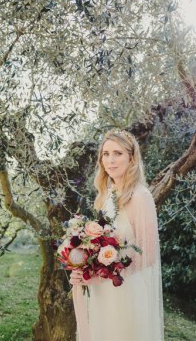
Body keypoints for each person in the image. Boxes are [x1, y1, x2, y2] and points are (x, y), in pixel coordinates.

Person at [70, 129, 164, 340]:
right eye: (105, 154)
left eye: (118, 153)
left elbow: (147, 255)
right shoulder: (107, 195)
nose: (110, 160)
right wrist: (83, 267)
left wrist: (100, 277)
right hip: (103, 293)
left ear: (131, 157)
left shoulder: (140, 196)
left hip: (126, 292)